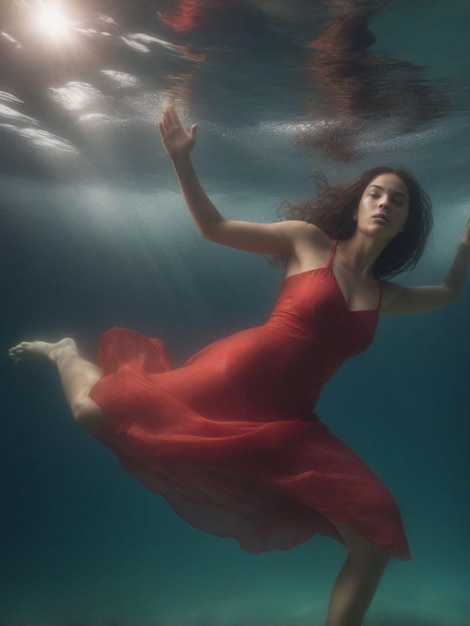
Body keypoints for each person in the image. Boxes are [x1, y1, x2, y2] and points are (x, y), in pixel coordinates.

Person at [9, 107, 469, 626]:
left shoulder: (385, 295)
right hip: (227, 376)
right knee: (91, 415)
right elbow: (214, 227)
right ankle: (65, 352)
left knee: (376, 533)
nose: (384, 203)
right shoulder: (310, 241)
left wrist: (464, 249)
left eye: (398, 200)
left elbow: (450, 292)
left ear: (407, 221)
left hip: (288, 421)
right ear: (359, 202)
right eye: (375, 193)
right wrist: (181, 160)